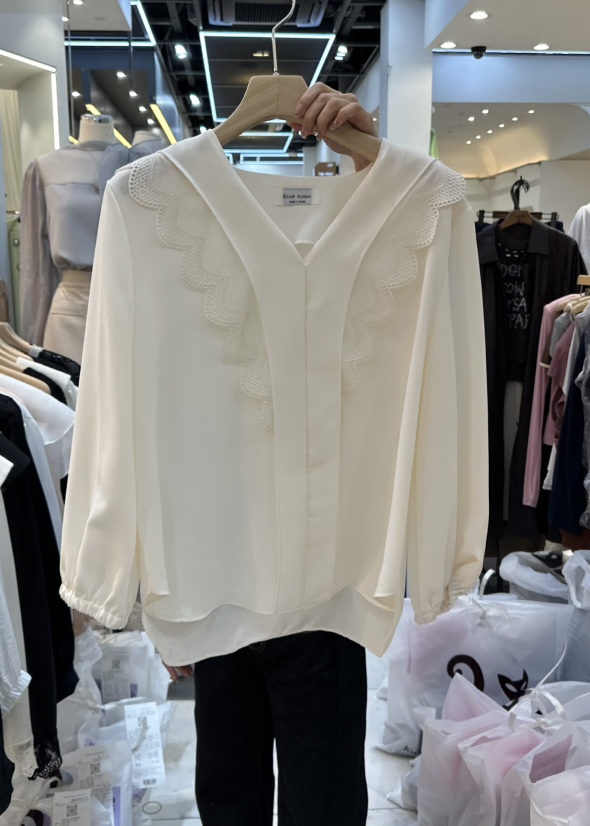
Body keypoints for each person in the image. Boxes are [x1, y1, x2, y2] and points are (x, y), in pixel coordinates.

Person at [166, 84, 378, 826]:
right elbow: (146, 409)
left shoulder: (378, 228)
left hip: (325, 575)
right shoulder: (164, 219)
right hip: (220, 565)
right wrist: (159, 585)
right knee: (232, 793)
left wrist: (370, 162)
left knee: (319, 795)